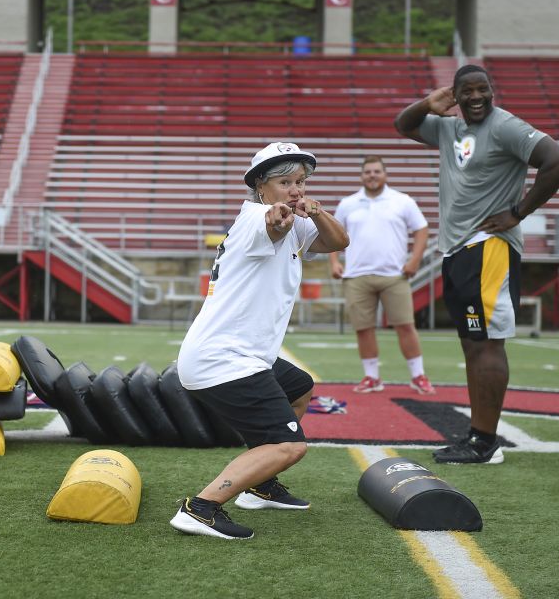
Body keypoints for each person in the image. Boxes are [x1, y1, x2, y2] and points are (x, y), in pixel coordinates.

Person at [394, 65, 559, 464]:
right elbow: (402, 124)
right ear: (455, 95)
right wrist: (428, 103)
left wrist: (518, 212)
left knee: (487, 344)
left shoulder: (506, 125)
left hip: (489, 246)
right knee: (472, 344)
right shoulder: (448, 128)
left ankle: (486, 441)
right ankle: (479, 436)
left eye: (483, 89)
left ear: (493, 91)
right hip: (458, 249)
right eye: (467, 91)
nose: (477, 97)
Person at [171, 142, 349, 539]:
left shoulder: (299, 220)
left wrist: (315, 210)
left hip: (246, 354)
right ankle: (201, 508)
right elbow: (272, 222)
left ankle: (259, 483)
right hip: (223, 359)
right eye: (284, 182)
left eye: (300, 181)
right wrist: (279, 214)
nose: (295, 189)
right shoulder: (255, 217)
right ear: (260, 187)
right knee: (290, 446)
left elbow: (339, 242)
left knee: (300, 388)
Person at [329, 155, 434, 394]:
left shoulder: (402, 201)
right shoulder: (348, 203)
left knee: (405, 325)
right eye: (368, 172)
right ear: (361, 176)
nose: (372, 175)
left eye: (376, 171)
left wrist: (415, 260)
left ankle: (418, 375)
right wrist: (334, 262)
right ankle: (371, 377)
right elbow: (334, 234)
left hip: (393, 275)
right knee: (363, 328)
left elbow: (421, 228)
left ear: (385, 174)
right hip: (356, 275)